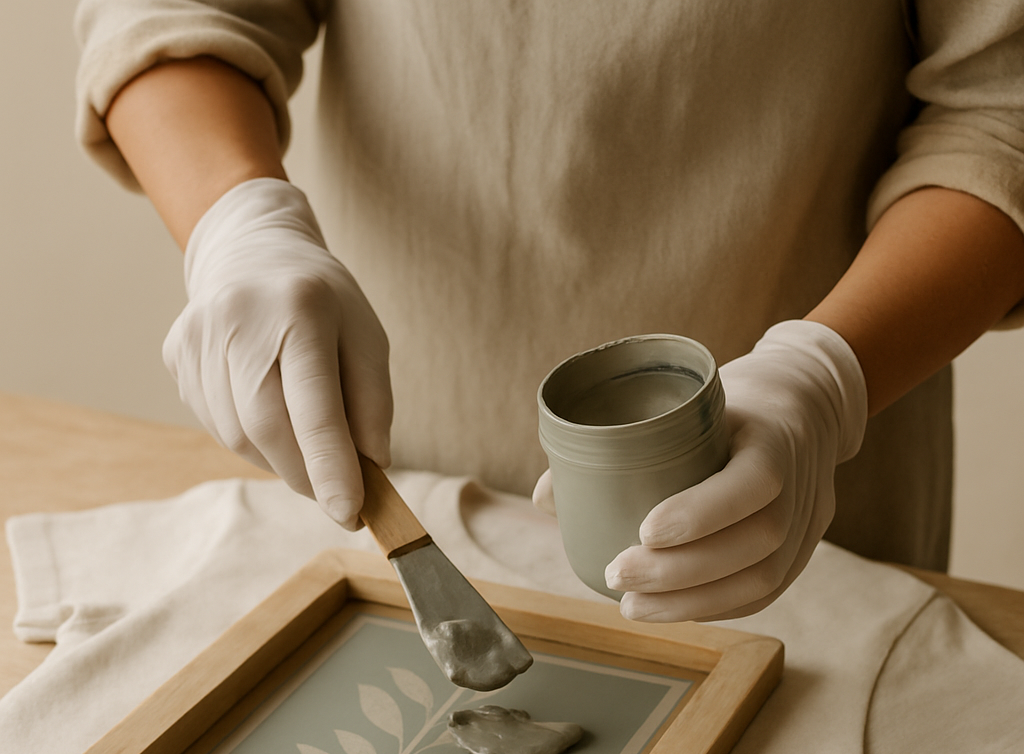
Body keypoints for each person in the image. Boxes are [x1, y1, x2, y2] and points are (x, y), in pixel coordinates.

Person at [74, 1, 1024, 622]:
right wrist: (239, 224)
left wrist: (824, 379)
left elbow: (999, 114)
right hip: (393, 479)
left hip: (787, 506)